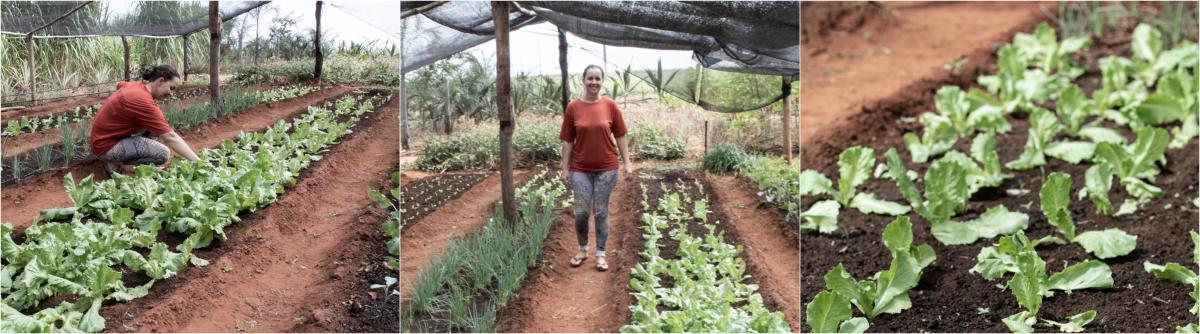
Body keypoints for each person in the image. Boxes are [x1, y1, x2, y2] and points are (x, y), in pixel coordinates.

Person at [558, 64, 635, 272]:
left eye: (597, 78)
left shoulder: (610, 105)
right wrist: (564, 168)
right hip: (580, 168)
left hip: (607, 168)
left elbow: (620, 135)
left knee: (601, 211)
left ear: (602, 81)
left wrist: (627, 163)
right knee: (582, 211)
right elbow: (567, 141)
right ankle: (583, 249)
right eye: (590, 78)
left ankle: (600, 254)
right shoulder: (573, 108)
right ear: (583, 80)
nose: (594, 82)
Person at [90, 64, 199, 176]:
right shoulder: (143, 100)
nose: (171, 93)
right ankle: (117, 167)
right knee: (163, 153)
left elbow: (119, 84)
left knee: (153, 126)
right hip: (106, 146)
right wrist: (199, 163)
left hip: (100, 140)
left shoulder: (137, 86)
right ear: (161, 81)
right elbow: (170, 137)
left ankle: (115, 160)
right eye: (171, 88)